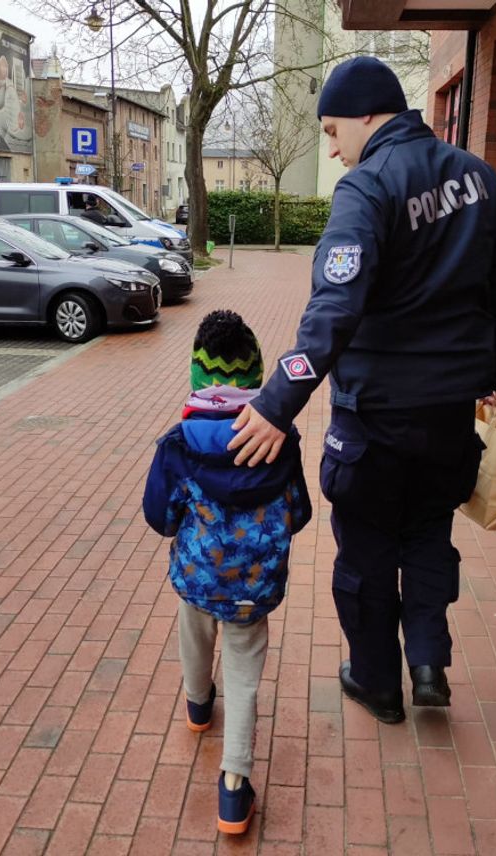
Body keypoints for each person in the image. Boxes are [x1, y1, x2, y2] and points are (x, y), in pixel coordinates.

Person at [228, 56, 496, 723]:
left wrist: (276, 402)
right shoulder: (480, 178)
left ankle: (377, 683)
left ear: (366, 112)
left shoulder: (368, 188)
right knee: (426, 533)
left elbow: (335, 306)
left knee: (365, 550)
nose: (333, 148)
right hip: (450, 414)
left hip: (376, 418)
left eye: (333, 130)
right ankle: (427, 662)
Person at [143, 310, 312, 833]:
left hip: (197, 579)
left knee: (193, 633)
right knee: (243, 678)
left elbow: (160, 518)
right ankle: (234, 791)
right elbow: (300, 512)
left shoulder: (179, 442)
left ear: (200, 377)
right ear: (255, 378)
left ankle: (197, 705)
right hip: (253, 589)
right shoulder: (279, 440)